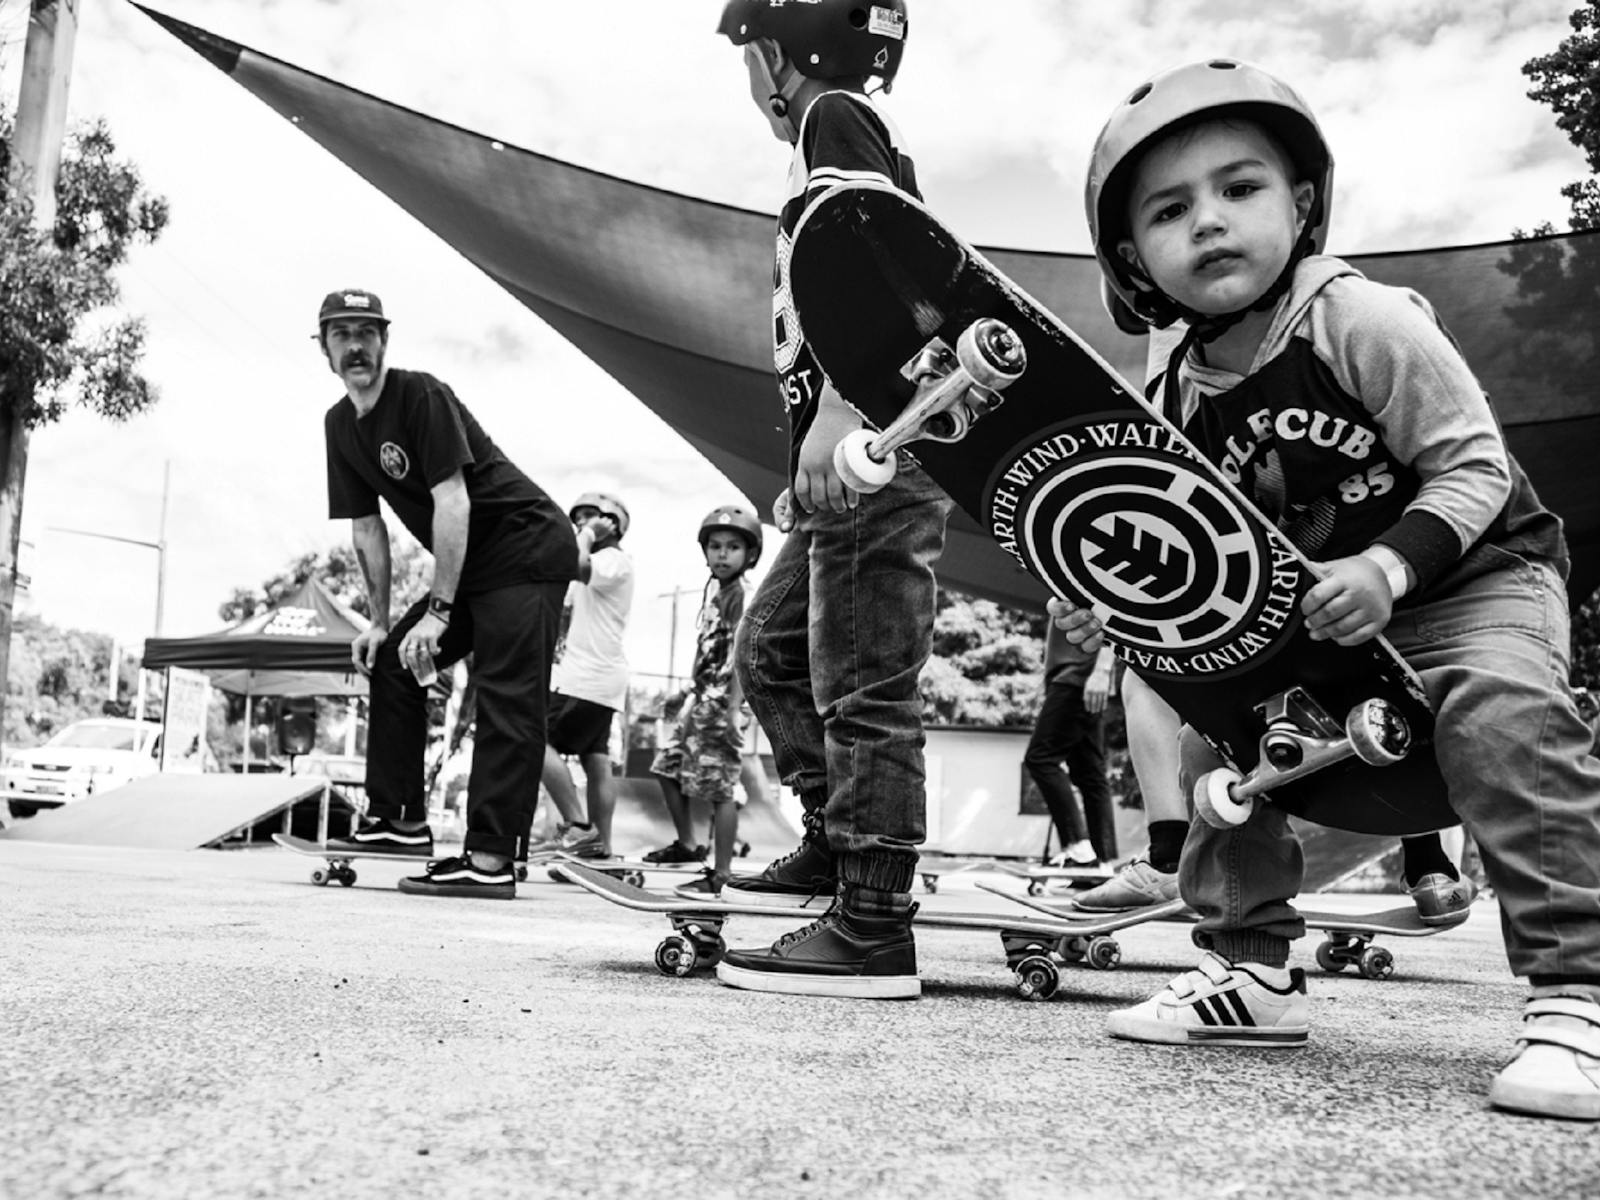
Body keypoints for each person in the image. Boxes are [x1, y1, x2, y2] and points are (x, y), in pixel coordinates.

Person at [1051, 60, 1600, 1119]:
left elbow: (1476, 467)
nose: (1209, 221)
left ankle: (1577, 997)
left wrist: (1389, 565)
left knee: (1505, 707)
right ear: (1133, 258)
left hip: (1478, 574)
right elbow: (1191, 544)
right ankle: (1251, 971)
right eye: (1171, 211)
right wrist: (1119, 618)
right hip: (1323, 604)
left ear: (1300, 203)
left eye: (1239, 188)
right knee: (1218, 721)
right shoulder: (1168, 395)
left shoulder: (1358, 317)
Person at [712, 0, 954, 1001]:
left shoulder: (835, 118)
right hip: (845, 461)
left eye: (747, 60)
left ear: (778, 54)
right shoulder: (840, 127)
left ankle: (870, 917)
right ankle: (831, 839)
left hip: (878, 446)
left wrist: (844, 408)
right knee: (768, 652)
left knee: (862, 683)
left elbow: (882, 265)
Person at [317, 287, 576, 898]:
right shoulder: (339, 425)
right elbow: (366, 527)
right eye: (341, 333)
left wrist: (438, 610)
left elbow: (452, 499)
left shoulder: (420, 394)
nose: (355, 344)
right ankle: (400, 820)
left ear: (385, 340)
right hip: (476, 564)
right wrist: (380, 622)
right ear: (324, 347)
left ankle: (489, 859)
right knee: (393, 659)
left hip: (526, 544)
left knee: (507, 693)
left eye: (366, 332)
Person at [645, 506, 762, 896]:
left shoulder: (743, 596)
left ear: (750, 555)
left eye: (732, 547)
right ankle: (688, 844)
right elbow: (709, 649)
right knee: (666, 768)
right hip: (701, 701)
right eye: (715, 546)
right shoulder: (717, 593)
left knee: (721, 787)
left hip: (725, 705)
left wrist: (733, 709)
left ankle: (722, 873)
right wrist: (686, 691)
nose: (722, 554)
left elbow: (745, 653)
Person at [529, 492, 634, 861]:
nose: (582, 524)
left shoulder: (611, 559)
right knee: (594, 755)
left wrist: (587, 534)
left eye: (592, 517)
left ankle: (578, 827)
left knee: (533, 740)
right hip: (594, 677)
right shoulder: (604, 562)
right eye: (579, 519)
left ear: (613, 524)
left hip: (586, 678)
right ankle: (600, 848)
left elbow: (572, 563)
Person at [1024, 624, 1119, 869]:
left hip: (1077, 678)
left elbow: (1113, 621)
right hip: (1074, 678)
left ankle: (1079, 848)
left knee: (1041, 759)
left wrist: (1102, 671)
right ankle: (1101, 862)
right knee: (1089, 773)